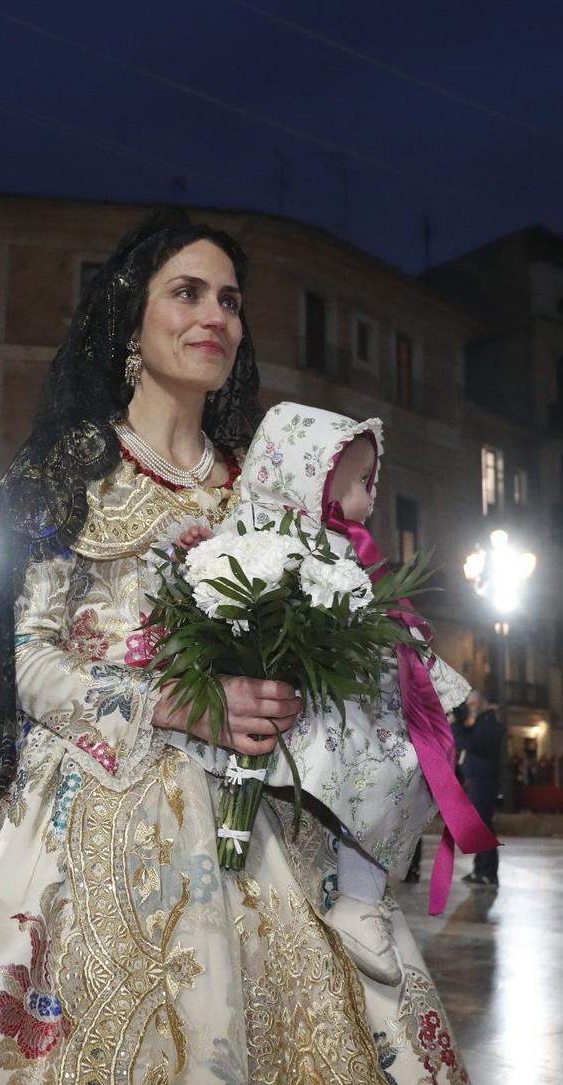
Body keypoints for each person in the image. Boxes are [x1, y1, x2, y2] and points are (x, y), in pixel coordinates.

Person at [0, 210, 491, 1085]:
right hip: (95, 810)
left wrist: (295, 694)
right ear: (129, 321)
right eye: (186, 293)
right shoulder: (71, 471)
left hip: (259, 820)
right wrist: (167, 700)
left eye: (230, 300)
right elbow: (24, 660)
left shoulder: (261, 491)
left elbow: (308, 650)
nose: (215, 317)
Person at [197, 401, 491, 974]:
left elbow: (387, 619)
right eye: (357, 481)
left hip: (354, 699)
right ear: (307, 474)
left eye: (366, 480)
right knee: (376, 771)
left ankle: (362, 899)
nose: (368, 496)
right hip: (309, 707)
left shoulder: (350, 550)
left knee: (406, 772)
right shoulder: (265, 532)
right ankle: (355, 896)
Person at [459, 692, 508, 886]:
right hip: (475, 780)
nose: (470, 707)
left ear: (484, 704)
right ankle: (479, 869)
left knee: (484, 826)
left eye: (474, 703)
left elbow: (468, 743)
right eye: (469, 703)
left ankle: (489, 872)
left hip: (484, 781)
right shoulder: (479, 724)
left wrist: (455, 724)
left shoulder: (489, 724)